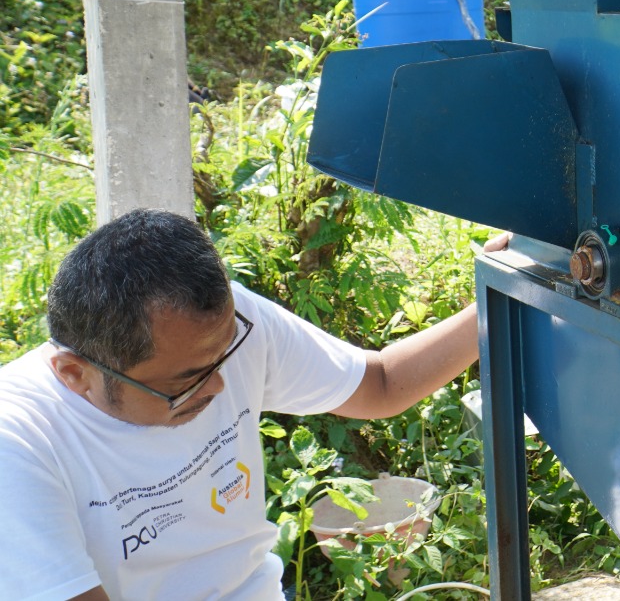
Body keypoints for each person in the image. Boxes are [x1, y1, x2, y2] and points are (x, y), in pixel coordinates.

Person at [0, 208, 485, 601]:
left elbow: (380, 384)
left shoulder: (219, 331)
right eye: (186, 382)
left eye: (224, 358)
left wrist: (503, 288)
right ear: (75, 373)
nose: (218, 388)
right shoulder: (18, 439)